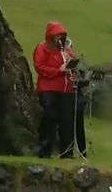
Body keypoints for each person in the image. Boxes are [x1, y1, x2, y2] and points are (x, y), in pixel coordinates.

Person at [33, 21, 76, 158]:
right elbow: (40, 67)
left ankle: (67, 152)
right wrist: (58, 70)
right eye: (57, 35)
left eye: (61, 35)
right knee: (49, 119)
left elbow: (72, 65)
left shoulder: (66, 51)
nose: (59, 38)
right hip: (49, 89)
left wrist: (73, 66)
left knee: (67, 121)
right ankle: (45, 150)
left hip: (66, 90)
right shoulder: (42, 48)